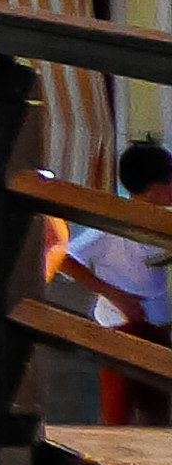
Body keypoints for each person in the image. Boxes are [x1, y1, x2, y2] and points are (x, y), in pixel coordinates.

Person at [55, 139, 172, 426]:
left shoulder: (163, 222)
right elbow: (63, 257)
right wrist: (114, 294)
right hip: (118, 326)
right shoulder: (111, 225)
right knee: (118, 413)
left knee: (157, 414)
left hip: (158, 325)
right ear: (155, 187)